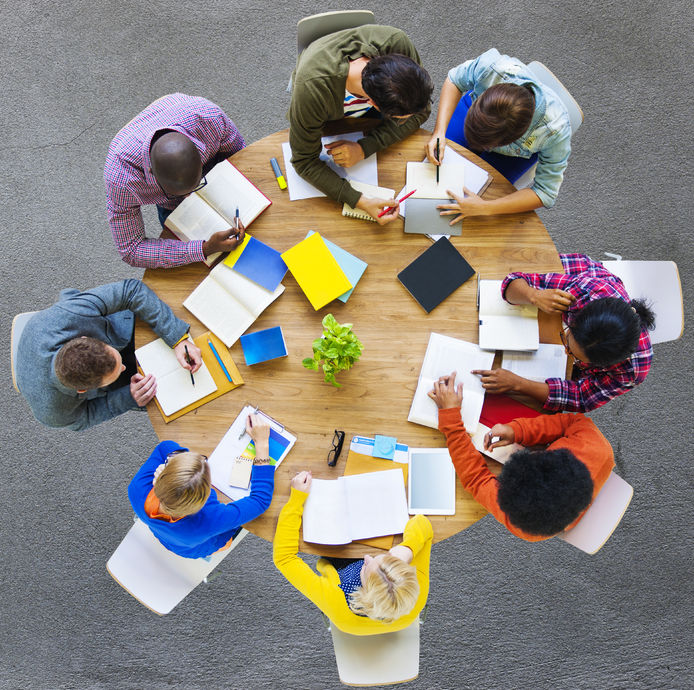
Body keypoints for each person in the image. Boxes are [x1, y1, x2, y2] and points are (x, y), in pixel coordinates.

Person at [430, 372, 614, 541]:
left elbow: (477, 480)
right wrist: (518, 431)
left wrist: (451, 419)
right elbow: (571, 421)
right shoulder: (596, 446)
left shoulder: (522, 518)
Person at [472, 254, 655, 412]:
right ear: (576, 317)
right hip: (578, 270)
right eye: (567, 340)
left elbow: (582, 398)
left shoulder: (633, 370)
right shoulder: (583, 292)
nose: (565, 351)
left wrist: (518, 384)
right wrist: (534, 295)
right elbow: (513, 279)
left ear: (603, 365)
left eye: (575, 356)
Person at [289, 25, 433, 224]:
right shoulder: (312, 90)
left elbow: (423, 111)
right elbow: (303, 162)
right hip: (324, 109)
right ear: (373, 103)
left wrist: (365, 148)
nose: (409, 119)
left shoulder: (399, 44)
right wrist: (359, 200)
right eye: (402, 119)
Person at [14, 279, 201, 431]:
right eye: (118, 371)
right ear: (82, 391)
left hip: (117, 331)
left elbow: (131, 290)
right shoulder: (53, 413)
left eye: (117, 362)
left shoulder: (71, 313)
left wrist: (177, 338)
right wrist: (128, 396)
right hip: (124, 387)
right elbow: (84, 417)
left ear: (85, 337)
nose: (124, 368)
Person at [273, 471, 433, 635]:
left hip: (339, 570)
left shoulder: (333, 598)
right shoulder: (415, 587)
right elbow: (422, 522)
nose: (367, 557)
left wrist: (296, 500)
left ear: (365, 594)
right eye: (386, 558)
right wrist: (408, 549)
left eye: (365, 568)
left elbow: (284, 559)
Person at [425, 49, 573, 223]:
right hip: (477, 121)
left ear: (509, 141)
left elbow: (545, 192)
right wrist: (439, 131)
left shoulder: (556, 132)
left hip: (514, 156)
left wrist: (485, 207)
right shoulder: (492, 68)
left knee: (478, 207)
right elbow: (455, 80)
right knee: (429, 163)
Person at [105, 93, 247, 268]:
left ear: (199, 149)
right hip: (171, 206)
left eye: (195, 185)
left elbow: (241, 156)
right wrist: (204, 249)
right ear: (152, 172)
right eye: (179, 193)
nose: (191, 198)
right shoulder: (122, 180)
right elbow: (131, 249)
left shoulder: (210, 119)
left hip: (215, 172)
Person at [128, 414, 275, 558]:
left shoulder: (136, 489)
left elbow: (164, 446)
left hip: (173, 540)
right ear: (206, 497)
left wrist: (171, 466)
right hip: (203, 545)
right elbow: (260, 500)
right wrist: (261, 443)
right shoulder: (210, 519)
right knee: (236, 527)